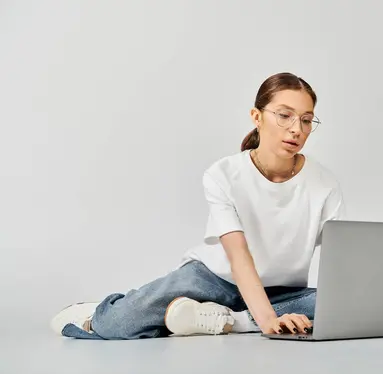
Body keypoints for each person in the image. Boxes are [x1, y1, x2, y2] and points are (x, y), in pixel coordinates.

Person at [50, 72, 345, 340]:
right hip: (214, 280)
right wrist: (268, 321)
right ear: (257, 116)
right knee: (119, 324)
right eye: (284, 115)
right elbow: (239, 257)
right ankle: (94, 313)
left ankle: (227, 320)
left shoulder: (324, 183)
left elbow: (341, 262)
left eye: (306, 120)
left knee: (337, 308)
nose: (296, 129)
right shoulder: (223, 175)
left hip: (283, 292)